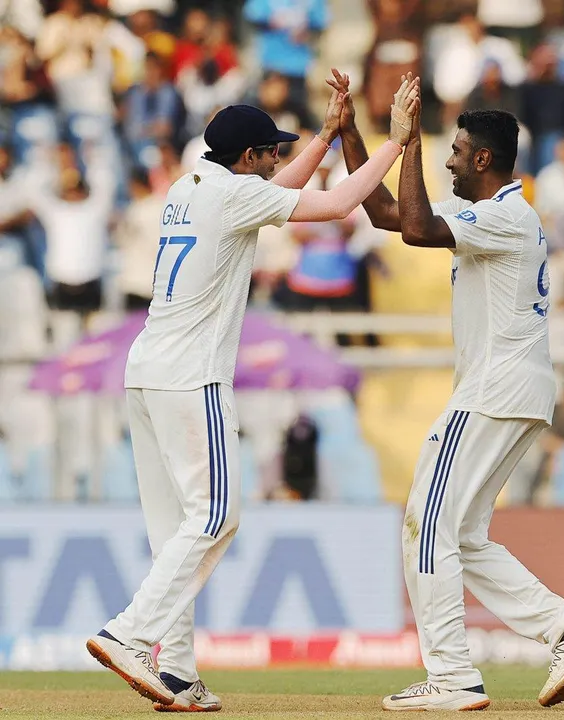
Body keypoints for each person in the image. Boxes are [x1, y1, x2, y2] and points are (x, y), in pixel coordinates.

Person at [84, 73, 420, 711]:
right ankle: (129, 634)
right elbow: (338, 204)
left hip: (146, 372)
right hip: (193, 376)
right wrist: (398, 142)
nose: (275, 160)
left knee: (175, 534)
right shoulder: (236, 195)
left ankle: (175, 671)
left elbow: (278, 193)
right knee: (216, 517)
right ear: (248, 157)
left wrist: (326, 135)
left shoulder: (191, 187)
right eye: (270, 152)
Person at [329, 71, 564, 711]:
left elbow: (416, 228)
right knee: (463, 537)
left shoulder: (506, 216)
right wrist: (352, 133)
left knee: (423, 526)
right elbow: (386, 214)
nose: (450, 162)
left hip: (490, 391)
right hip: (513, 390)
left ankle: (452, 676)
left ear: (483, 159)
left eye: (456, 152)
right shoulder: (491, 212)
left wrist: (408, 142)